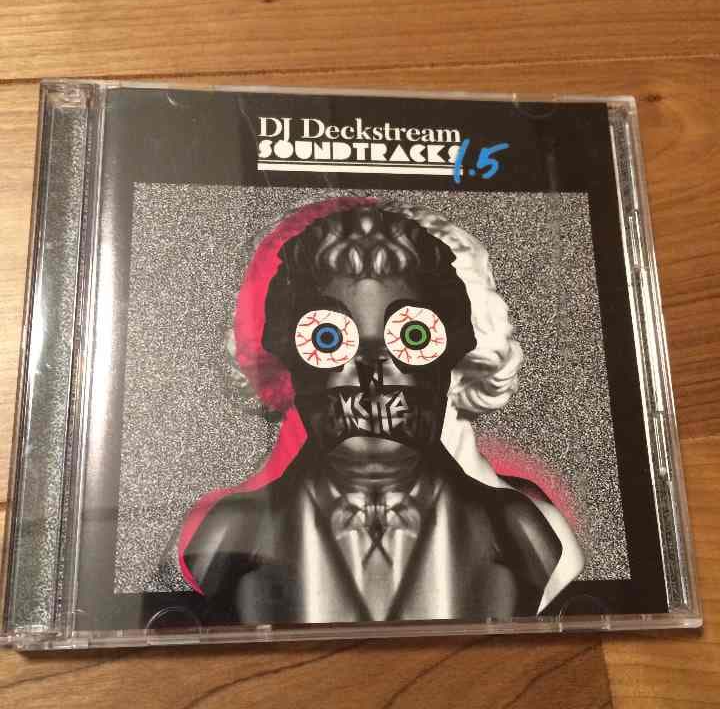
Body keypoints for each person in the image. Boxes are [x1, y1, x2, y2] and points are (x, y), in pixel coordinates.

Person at [180, 197, 583, 623]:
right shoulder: (231, 532)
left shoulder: (519, 529)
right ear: (289, 357)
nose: (371, 376)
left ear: (458, 353)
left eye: (413, 337)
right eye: (328, 338)